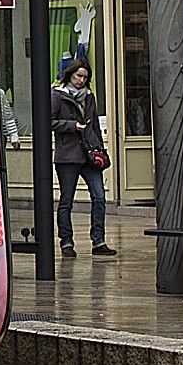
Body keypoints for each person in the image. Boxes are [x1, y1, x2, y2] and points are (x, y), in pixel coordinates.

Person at [50, 59, 116, 258]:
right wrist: (71, 126)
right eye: (78, 76)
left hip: (89, 155)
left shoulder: (89, 97)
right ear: (70, 74)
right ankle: (67, 242)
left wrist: (100, 150)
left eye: (85, 77)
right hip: (68, 155)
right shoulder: (57, 96)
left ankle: (99, 240)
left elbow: (94, 124)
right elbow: (48, 121)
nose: (81, 80)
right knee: (66, 200)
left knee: (99, 197)